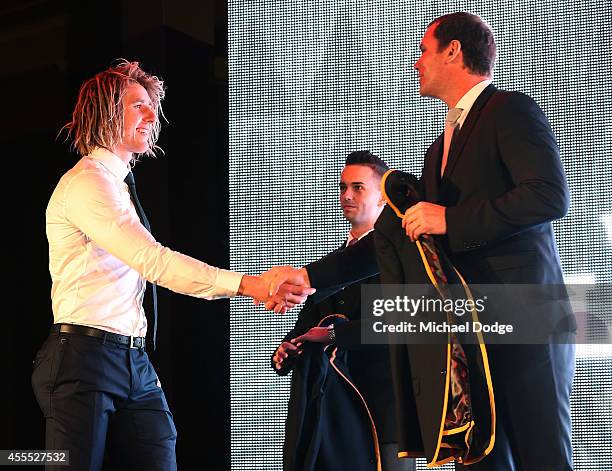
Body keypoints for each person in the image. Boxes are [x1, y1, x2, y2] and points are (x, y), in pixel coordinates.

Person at [265, 12, 575, 471]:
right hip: (473, 328)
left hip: (525, 315)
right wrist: (308, 277)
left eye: (425, 50)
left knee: (541, 456)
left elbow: (548, 196)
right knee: (482, 461)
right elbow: (395, 235)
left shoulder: (509, 109)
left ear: (454, 51)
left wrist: (450, 219)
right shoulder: (438, 147)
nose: (415, 63)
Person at [32, 60, 310, 471]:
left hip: (131, 358)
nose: (151, 115)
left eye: (151, 106)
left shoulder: (117, 185)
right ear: (106, 112)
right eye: (137, 105)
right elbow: (153, 260)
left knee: (160, 447)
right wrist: (250, 284)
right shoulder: (88, 183)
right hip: (83, 356)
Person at [273, 151, 415, 471]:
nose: (346, 195)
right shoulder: (331, 268)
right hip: (332, 420)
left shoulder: (403, 260)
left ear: (383, 199)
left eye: (358, 187)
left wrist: (333, 334)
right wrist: (286, 350)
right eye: (343, 187)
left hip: (385, 412)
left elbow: (397, 323)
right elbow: (306, 328)